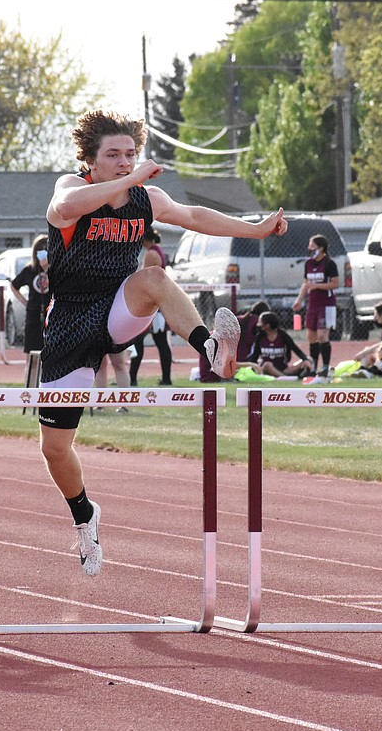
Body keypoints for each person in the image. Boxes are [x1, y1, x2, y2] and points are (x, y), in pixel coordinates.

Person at [39, 109, 288, 575]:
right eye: (112, 155)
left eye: (130, 154)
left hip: (117, 308)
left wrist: (255, 229)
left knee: (152, 276)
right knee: (55, 447)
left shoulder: (145, 198)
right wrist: (127, 178)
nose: (123, 162)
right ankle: (84, 515)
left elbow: (194, 216)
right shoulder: (71, 188)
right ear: (89, 161)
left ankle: (209, 346)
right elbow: (65, 212)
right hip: (70, 322)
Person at [128, 228, 174, 385]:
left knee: (138, 341)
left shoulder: (151, 254)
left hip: (150, 304)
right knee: (161, 343)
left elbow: (145, 279)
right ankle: (166, 379)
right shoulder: (157, 251)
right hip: (156, 301)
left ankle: (132, 378)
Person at [291, 235, 339, 381]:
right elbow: (306, 284)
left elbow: (335, 283)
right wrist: (299, 300)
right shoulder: (309, 263)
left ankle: (325, 367)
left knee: (322, 336)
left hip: (326, 304)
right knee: (311, 336)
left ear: (321, 248)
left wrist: (318, 285)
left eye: (312, 246)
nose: (309, 249)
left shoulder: (329, 263)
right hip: (312, 304)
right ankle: (313, 368)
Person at [10, 234, 51, 354]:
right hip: (34, 314)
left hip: (51, 314)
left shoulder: (55, 270)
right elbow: (14, 285)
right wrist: (25, 302)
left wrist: (47, 270)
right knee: (32, 351)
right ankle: (31, 372)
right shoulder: (30, 270)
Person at [242, 310, 313, 378]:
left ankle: (283, 376)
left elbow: (296, 349)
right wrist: (252, 367)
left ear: (267, 325)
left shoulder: (282, 335)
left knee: (308, 359)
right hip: (266, 369)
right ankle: (285, 378)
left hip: (283, 369)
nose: (259, 325)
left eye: (261, 322)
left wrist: (305, 360)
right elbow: (255, 355)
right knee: (267, 364)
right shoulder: (260, 337)